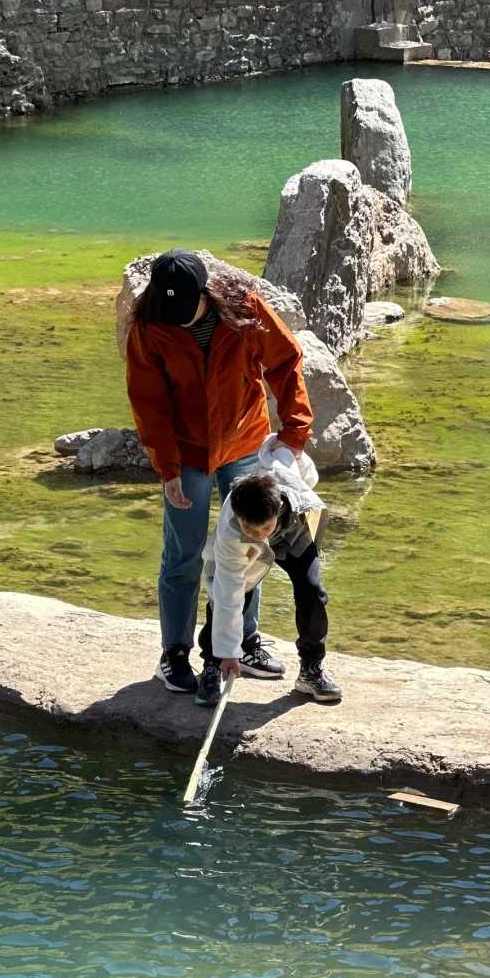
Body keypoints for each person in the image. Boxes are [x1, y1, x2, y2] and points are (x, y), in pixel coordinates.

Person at [125, 248, 315, 695]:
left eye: (184, 309)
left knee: (251, 545)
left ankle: (244, 643)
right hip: (187, 453)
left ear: (205, 293)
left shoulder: (246, 308)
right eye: (168, 309)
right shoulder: (151, 325)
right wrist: (167, 468)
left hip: (247, 443)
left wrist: (294, 434)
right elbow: (148, 403)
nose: (177, 319)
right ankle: (174, 654)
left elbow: (286, 363)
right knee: (184, 554)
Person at [197, 446, 342, 707]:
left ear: (280, 506)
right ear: (239, 518)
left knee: (313, 592)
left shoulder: (290, 486)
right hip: (246, 552)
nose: (258, 533)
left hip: (293, 533)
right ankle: (212, 665)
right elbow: (228, 593)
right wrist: (228, 653)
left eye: (264, 527)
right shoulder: (233, 535)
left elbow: (302, 464)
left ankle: (311, 670)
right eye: (249, 527)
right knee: (225, 594)